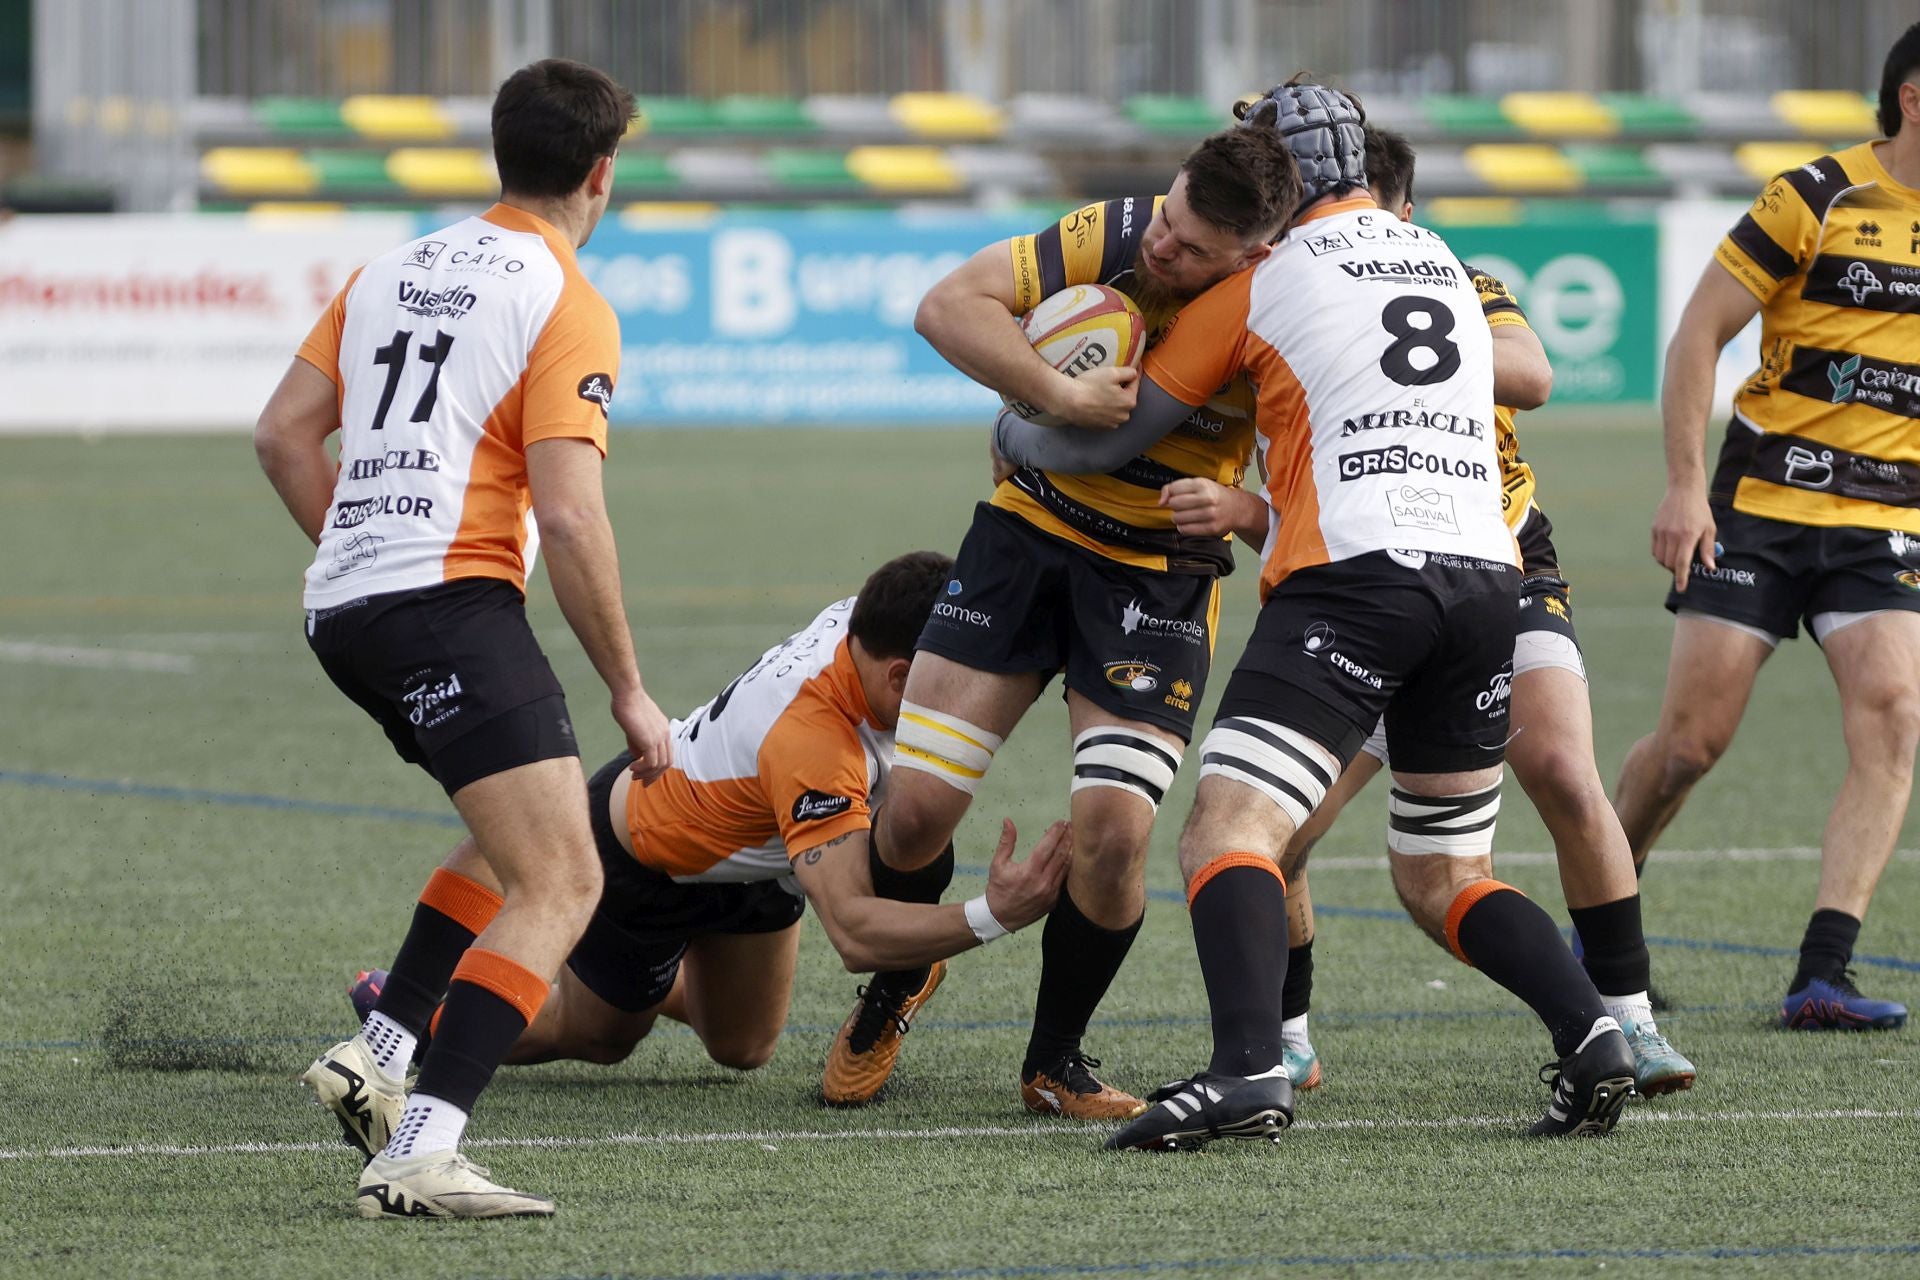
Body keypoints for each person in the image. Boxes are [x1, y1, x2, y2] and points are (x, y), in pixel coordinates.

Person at [991, 82, 1638, 1150]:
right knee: (1444, 874)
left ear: (1277, 180)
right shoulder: (1437, 258)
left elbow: (1111, 438)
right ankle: (1594, 1033)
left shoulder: (1261, 279)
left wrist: (1020, 432)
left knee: (1227, 828)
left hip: (1356, 572)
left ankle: (1249, 1067)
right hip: (1489, 575)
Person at [1161, 126, 1696, 1096]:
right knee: (1391, 856)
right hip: (1450, 576)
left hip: (1453, 560)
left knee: (1558, 772)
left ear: (1395, 213)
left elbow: (1533, 374)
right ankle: (1298, 1034)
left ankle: (1631, 1015)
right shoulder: (1353, 281)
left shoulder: (1418, 275)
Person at [256, 59, 675, 1218]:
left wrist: (359, 550)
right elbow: (574, 508)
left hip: (345, 609)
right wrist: (632, 691)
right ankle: (421, 1148)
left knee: (508, 837)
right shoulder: (567, 294)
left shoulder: (390, 267)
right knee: (568, 871)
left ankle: (380, 1055)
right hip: (443, 607)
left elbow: (285, 434)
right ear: (601, 173)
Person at [830, 126, 1301, 1120]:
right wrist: (1055, 393)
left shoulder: (1280, 307)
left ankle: (1055, 1059)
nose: (1164, 250)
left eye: (1193, 248)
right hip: (1027, 534)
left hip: (1157, 572)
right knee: (913, 812)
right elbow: (943, 306)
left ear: (1252, 255)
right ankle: (898, 981)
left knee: (1114, 835)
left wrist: (1249, 512)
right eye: (1169, 218)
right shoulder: (1117, 230)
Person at [347, 553, 1072, 1084]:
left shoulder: (882, 618)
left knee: (744, 1047)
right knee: (599, 1034)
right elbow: (852, 933)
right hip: (644, 860)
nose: (962, 696)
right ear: (902, 675)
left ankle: (627, 968)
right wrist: (993, 913)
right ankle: (412, 1018)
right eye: (949, 683)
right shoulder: (816, 742)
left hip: (756, 846)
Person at [1611, 24, 1920, 1033]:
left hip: (1884, 522)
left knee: (1894, 715)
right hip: (1760, 507)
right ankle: (1601, 911)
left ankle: (1821, 971)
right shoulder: (1815, 196)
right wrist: (1685, 486)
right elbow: (1699, 331)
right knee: (1692, 745)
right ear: (1914, 98)